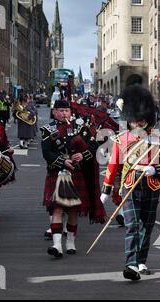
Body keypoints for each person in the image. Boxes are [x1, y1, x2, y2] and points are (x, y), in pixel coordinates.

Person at [100, 85, 160, 281]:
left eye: (141, 120)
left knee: (146, 226)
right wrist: (106, 190)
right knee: (132, 225)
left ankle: (141, 260)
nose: (138, 124)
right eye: (135, 121)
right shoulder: (121, 139)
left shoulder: (159, 139)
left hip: (151, 185)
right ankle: (130, 263)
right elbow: (113, 164)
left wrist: (155, 170)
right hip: (130, 184)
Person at [41, 100, 104, 258]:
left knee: (73, 211)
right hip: (57, 173)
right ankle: (56, 245)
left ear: (70, 112)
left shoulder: (81, 128)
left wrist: (83, 155)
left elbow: (94, 146)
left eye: (66, 110)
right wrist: (63, 161)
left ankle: (70, 242)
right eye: (60, 110)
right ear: (54, 112)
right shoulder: (48, 130)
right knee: (57, 208)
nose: (64, 113)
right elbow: (47, 153)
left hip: (76, 173)